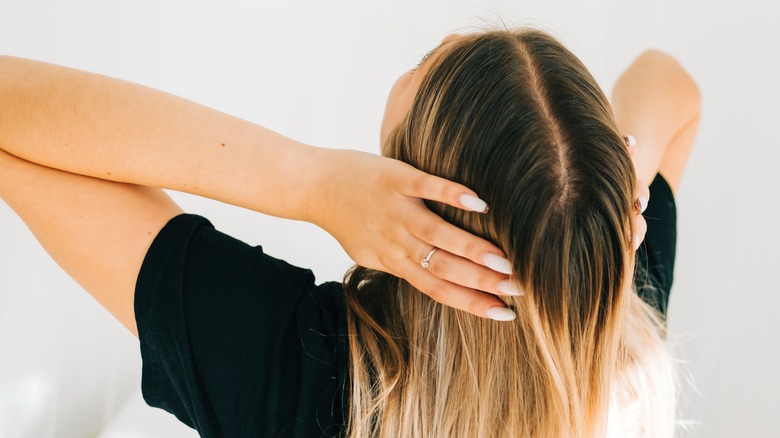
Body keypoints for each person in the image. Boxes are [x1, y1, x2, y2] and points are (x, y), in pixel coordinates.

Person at [0, 27, 700, 437]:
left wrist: (309, 181)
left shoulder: (309, 377)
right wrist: (608, 183)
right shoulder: (617, 331)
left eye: (429, 64)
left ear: (414, 186)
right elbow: (670, 82)